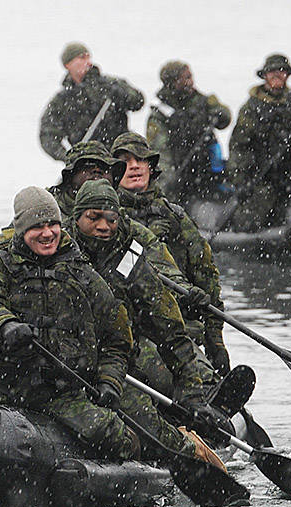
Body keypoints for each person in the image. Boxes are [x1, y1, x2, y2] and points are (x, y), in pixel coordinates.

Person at [0, 186, 138, 460]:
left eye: (53, 224)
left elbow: (117, 339)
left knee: (112, 436)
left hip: (61, 394)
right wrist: (6, 325)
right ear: (21, 229)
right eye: (37, 226)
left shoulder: (82, 274)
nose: (47, 233)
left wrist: (109, 382)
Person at [67, 179, 237, 462]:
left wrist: (191, 394)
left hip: (117, 366)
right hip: (66, 367)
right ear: (77, 218)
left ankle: (190, 446)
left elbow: (168, 327)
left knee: (150, 426)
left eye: (110, 218)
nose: (103, 226)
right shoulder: (58, 251)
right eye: (93, 217)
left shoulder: (130, 258)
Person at [111, 132, 233, 377]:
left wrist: (215, 340)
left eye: (140, 160)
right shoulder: (106, 219)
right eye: (125, 161)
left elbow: (206, 276)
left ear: (150, 167)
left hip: (178, 327)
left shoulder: (174, 216)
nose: (134, 166)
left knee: (197, 371)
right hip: (131, 331)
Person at [225, 53, 291, 232]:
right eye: (272, 72)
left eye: (281, 72)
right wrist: (240, 180)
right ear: (265, 75)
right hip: (266, 173)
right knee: (249, 219)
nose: (277, 77)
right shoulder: (252, 108)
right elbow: (238, 146)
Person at [39, 42, 144, 161]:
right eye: (82, 58)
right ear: (68, 64)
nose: (88, 62)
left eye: (88, 57)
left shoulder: (109, 84)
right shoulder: (62, 100)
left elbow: (138, 102)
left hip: (119, 156)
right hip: (89, 162)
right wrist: (68, 157)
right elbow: (47, 135)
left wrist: (122, 93)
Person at [147, 59, 234, 202]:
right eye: (185, 78)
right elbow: (160, 151)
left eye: (190, 77)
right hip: (180, 172)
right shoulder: (161, 113)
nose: (191, 82)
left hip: (207, 170)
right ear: (172, 82)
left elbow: (225, 119)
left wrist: (220, 113)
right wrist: (170, 177)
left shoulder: (203, 101)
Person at [48, 141, 117, 215]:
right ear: (70, 176)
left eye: (104, 167)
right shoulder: (48, 210)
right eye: (88, 165)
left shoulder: (125, 210)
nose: (97, 170)